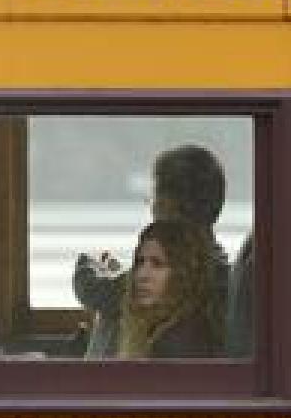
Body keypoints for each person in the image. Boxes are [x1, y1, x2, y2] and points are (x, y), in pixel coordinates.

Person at [73, 144, 230, 358]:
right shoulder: (220, 269)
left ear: (167, 205)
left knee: (116, 316)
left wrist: (89, 262)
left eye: (153, 198)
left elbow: (96, 291)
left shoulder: (178, 273)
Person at [119, 220, 224, 358]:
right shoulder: (164, 328)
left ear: (183, 273)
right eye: (140, 262)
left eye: (157, 264)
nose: (142, 275)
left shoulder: (181, 340)